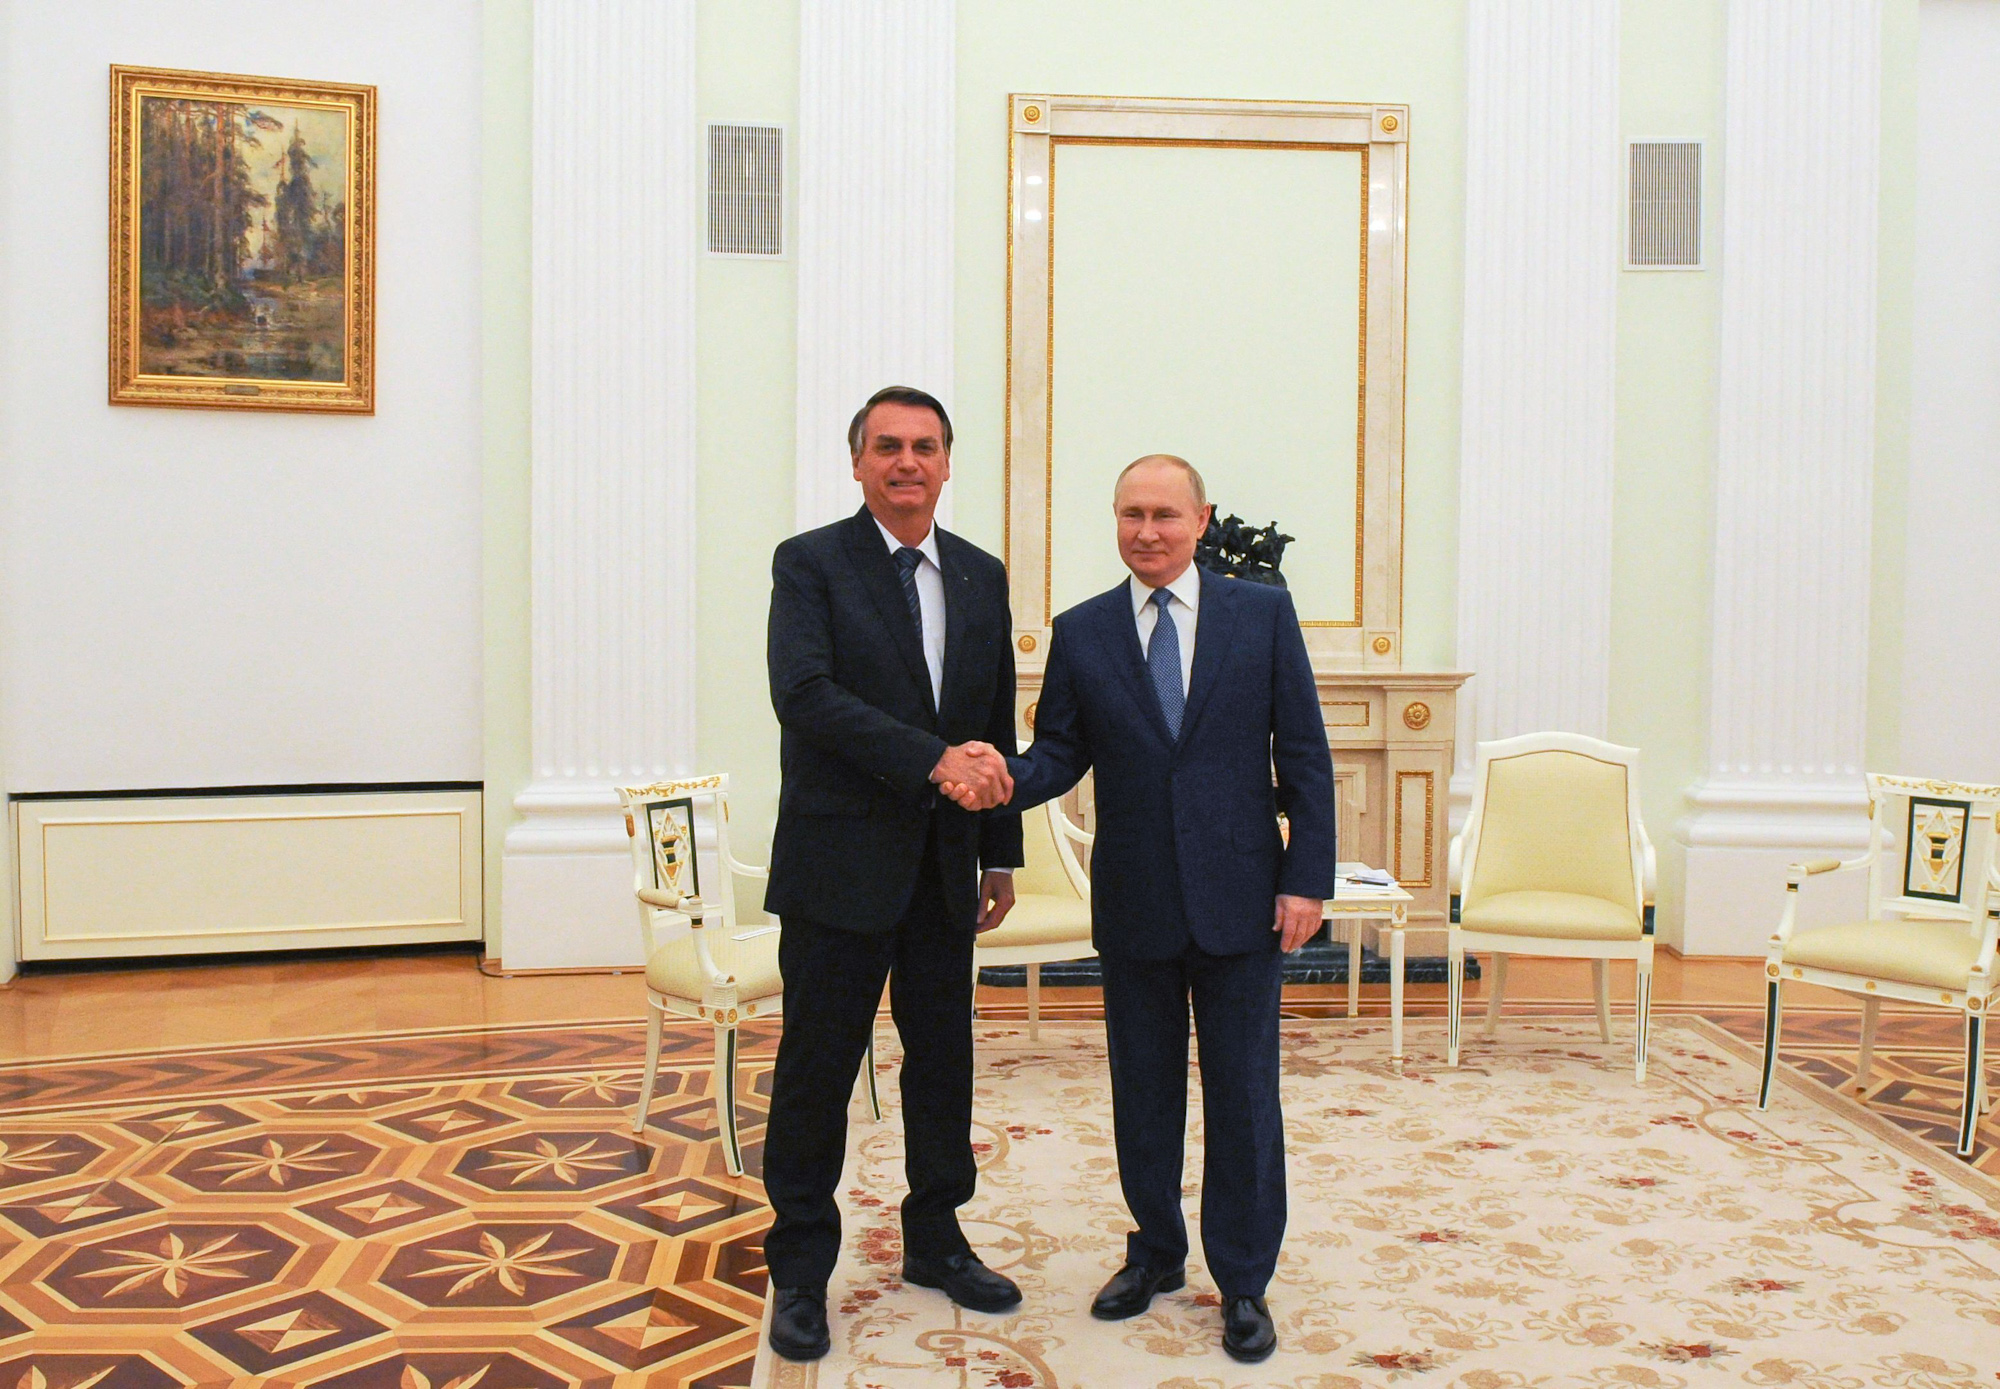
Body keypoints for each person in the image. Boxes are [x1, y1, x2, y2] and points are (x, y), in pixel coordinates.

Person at [945, 453, 1336, 1363]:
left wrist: (1305, 879)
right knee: (1145, 1094)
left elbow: (1305, 756)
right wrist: (997, 777)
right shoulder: (1082, 633)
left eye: (1164, 513)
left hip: (1244, 900)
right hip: (1138, 903)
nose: (1147, 531)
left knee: (1243, 1096)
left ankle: (1243, 1280)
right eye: (1130, 514)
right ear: (1115, 522)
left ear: (1200, 520)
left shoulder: (1262, 615)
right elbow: (1058, 755)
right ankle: (1156, 1249)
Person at [760, 386, 1024, 1362]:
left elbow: (991, 711)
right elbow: (804, 695)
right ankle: (797, 1269)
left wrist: (1000, 849)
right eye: (886, 447)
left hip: (946, 868)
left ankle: (936, 1240)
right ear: (858, 464)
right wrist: (930, 760)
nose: (905, 462)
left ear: (947, 463)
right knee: (816, 1070)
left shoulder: (981, 575)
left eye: (923, 447)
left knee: (943, 1063)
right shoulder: (811, 564)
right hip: (838, 865)